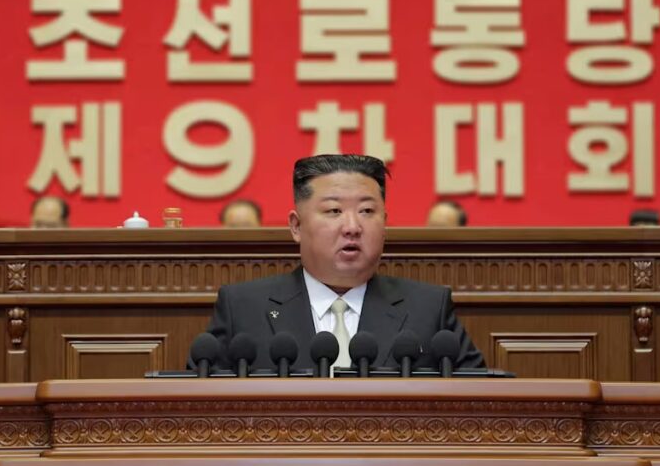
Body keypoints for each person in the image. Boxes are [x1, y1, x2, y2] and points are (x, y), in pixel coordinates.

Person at [201, 154, 484, 371]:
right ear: (296, 226)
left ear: (385, 223)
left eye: (366, 211)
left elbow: (481, 401)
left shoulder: (428, 309)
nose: (352, 227)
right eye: (334, 210)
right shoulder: (243, 308)